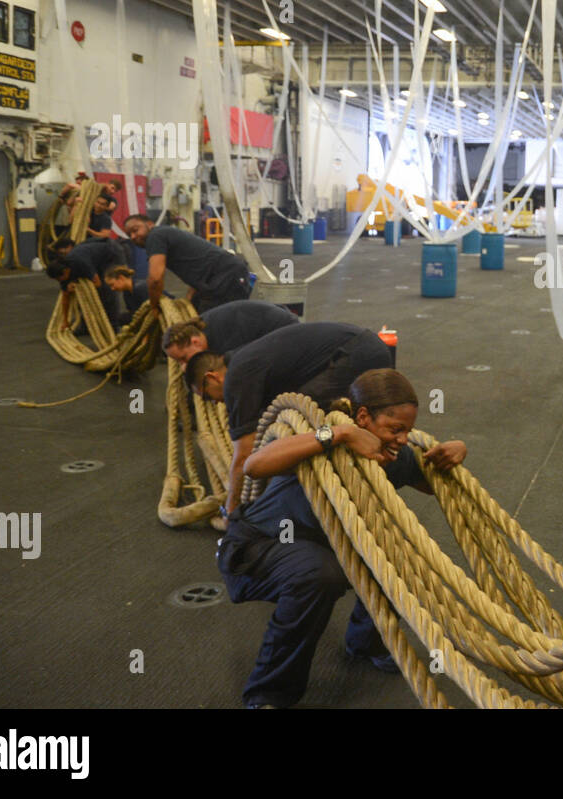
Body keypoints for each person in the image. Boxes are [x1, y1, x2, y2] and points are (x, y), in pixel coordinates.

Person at [216, 368, 466, 708]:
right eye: (396, 429)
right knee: (318, 575)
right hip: (258, 549)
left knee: (396, 546)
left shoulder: (389, 455)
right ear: (363, 416)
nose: (404, 439)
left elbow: (431, 482)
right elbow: (255, 465)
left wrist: (453, 453)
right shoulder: (316, 440)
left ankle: (367, 641)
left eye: (407, 430)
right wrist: (340, 435)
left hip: (322, 550)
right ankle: (267, 694)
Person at [184, 321, 395, 516]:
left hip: (357, 353)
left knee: (302, 412)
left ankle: (350, 477)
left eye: (207, 395)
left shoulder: (235, 380)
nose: (213, 403)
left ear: (211, 377)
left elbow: (244, 458)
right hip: (366, 346)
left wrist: (230, 507)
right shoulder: (240, 360)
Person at [122, 214, 251, 312]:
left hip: (225, 275)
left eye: (135, 230)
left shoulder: (155, 236)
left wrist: (154, 307)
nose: (133, 236)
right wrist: (189, 299)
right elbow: (198, 264)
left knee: (215, 324)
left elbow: (155, 279)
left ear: (149, 224)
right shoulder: (163, 234)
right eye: (129, 235)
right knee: (198, 314)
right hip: (220, 276)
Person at [161, 301, 299, 367]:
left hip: (286, 332)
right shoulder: (198, 327)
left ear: (195, 342)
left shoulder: (225, 342)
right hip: (274, 316)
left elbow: (248, 362)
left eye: (184, 358)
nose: (183, 366)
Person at [46, 236, 129, 330]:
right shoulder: (62, 274)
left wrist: (78, 287)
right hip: (94, 257)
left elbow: (97, 284)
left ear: (66, 271)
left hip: (111, 253)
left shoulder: (81, 263)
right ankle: (87, 325)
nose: (60, 281)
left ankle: (113, 325)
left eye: (59, 279)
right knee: (82, 296)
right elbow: (65, 298)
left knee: (108, 289)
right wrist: (65, 321)